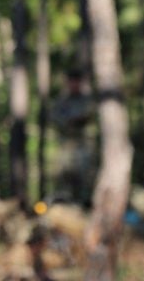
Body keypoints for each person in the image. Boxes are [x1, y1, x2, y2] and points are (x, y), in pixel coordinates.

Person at [51, 69, 95, 207]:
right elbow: (54, 118)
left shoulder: (87, 100)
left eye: (76, 82)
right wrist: (69, 121)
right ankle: (66, 204)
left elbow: (91, 116)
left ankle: (85, 204)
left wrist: (80, 119)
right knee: (65, 176)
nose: (74, 85)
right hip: (66, 145)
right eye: (71, 82)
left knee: (86, 176)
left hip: (84, 145)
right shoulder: (61, 101)